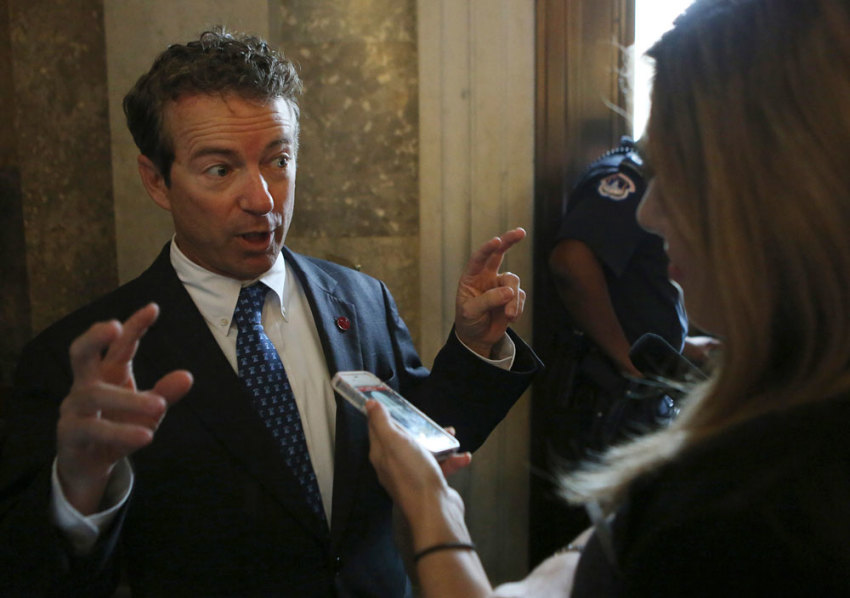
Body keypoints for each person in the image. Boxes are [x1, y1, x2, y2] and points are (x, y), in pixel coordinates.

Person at [0, 29, 540, 597]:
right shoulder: (80, 362)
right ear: (156, 181)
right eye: (220, 170)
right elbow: (28, 568)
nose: (262, 199)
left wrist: (475, 346)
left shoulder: (361, 299)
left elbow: (420, 441)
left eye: (279, 160)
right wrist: (78, 489)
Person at [365, 0, 850, 595]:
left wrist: (432, 514)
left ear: (774, 196)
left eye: (676, 174)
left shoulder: (753, 499)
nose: (649, 212)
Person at [547, 136, 689, 461]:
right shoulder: (628, 181)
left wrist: (681, 345)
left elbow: (636, 288)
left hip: (629, 388)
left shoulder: (646, 178)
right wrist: (626, 358)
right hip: (608, 391)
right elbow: (570, 262)